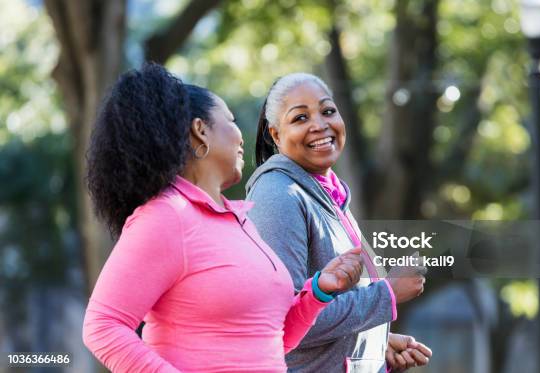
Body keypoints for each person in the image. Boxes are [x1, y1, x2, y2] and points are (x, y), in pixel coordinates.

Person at [82, 63, 364, 373]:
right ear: (200, 130)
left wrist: (320, 290)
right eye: (230, 121)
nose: (241, 137)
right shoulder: (166, 216)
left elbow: (271, 339)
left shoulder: (239, 221)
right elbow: (103, 326)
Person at [246, 73, 432, 372]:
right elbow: (285, 319)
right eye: (300, 118)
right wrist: (387, 293)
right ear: (276, 135)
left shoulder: (329, 193)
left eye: (327, 111)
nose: (320, 124)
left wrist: (375, 343)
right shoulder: (278, 195)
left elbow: (334, 308)